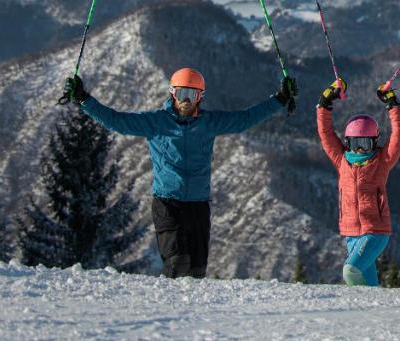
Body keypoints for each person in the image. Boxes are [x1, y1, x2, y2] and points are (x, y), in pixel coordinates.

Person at [62, 67, 296, 278]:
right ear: (172, 93)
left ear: (200, 97)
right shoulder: (156, 122)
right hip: (167, 204)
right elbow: (117, 121)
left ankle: (190, 321)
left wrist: (280, 99)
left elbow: (245, 119)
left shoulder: (209, 122)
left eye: (192, 94)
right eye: (181, 92)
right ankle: (169, 313)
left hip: (198, 205)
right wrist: (84, 99)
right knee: (177, 263)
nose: (186, 100)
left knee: (197, 269)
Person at [317, 79, 400, 286]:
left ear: (374, 142)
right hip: (350, 233)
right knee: (367, 290)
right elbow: (325, 133)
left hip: (375, 232)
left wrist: (392, 105)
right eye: (355, 144)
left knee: (350, 271)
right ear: (347, 142)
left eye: (365, 144)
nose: (359, 150)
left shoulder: (381, 162)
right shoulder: (342, 161)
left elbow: (399, 137)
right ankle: (377, 318)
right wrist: (324, 104)